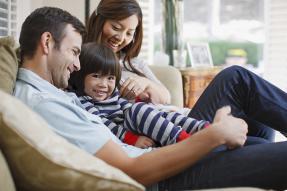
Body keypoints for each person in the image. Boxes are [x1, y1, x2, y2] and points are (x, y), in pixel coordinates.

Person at [13, 6, 287, 191]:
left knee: (237, 82)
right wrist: (212, 135)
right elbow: (132, 170)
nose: (76, 64)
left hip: (158, 144)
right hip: (162, 173)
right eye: (74, 52)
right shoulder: (43, 104)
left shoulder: (49, 92)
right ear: (47, 43)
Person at [80, 0, 276, 142]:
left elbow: (165, 97)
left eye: (129, 33)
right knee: (234, 77)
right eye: (116, 27)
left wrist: (146, 83)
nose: (121, 37)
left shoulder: (134, 63)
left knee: (260, 122)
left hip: (179, 116)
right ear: (100, 20)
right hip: (168, 130)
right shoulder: (84, 62)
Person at [72, 42, 209, 148]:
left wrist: (142, 106)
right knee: (138, 110)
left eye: (110, 78)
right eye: (96, 76)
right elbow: (104, 124)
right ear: (80, 76)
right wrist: (131, 139)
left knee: (160, 114)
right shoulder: (83, 100)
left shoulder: (113, 94)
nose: (104, 84)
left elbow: (126, 108)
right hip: (125, 132)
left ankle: (200, 128)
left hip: (136, 125)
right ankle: (182, 140)